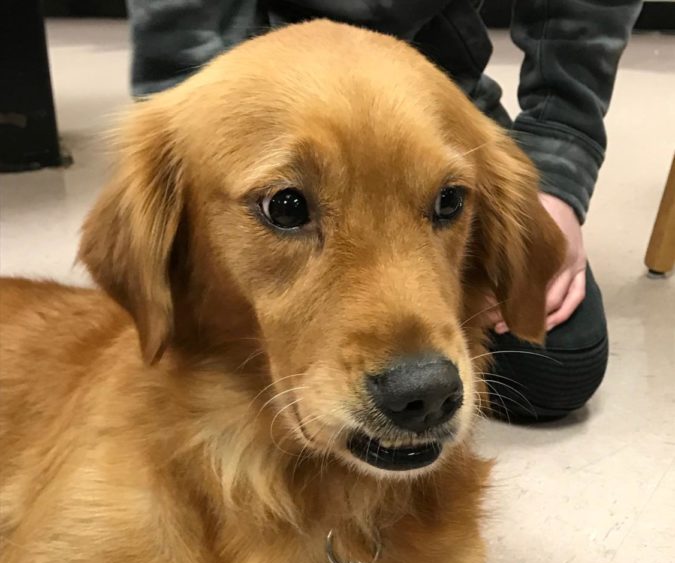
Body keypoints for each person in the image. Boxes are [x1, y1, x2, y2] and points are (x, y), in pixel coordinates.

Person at [126, 0, 643, 422]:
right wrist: (215, 120)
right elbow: (181, 42)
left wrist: (557, 165)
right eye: (286, 209)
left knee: (558, 368)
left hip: (431, 87)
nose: (423, 389)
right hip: (251, 87)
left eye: (448, 202)